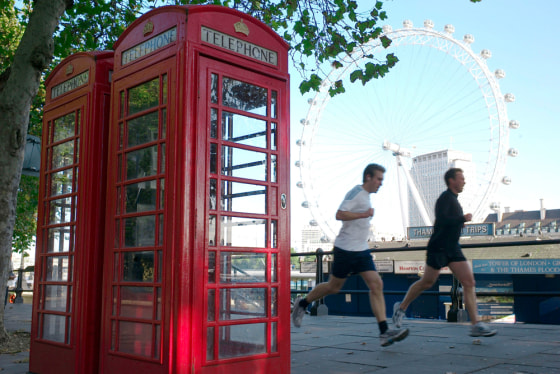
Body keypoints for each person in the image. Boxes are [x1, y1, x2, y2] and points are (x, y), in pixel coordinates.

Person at [291, 163, 409, 347]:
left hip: (361, 250)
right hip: (345, 249)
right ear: (368, 177)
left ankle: (384, 332)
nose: (381, 183)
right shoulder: (356, 192)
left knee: (376, 284)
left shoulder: (367, 197)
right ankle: (303, 303)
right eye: (379, 179)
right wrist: (363, 215)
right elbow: (339, 214)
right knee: (333, 287)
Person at [392, 168, 497, 337]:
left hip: (453, 248)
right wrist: (462, 219)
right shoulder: (445, 198)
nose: (464, 181)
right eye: (461, 178)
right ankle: (401, 308)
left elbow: (449, 221)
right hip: (439, 247)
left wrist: (458, 223)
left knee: (469, 282)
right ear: (451, 181)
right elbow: (442, 220)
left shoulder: (454, 200)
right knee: (426, 282)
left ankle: (475, 324)